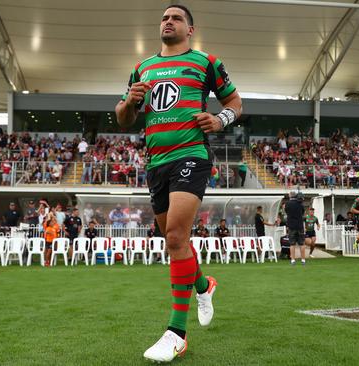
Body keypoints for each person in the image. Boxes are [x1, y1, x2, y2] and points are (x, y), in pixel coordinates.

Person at [115, 4, 242, 361]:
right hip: (156, 163)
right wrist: (130, 101)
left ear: (190, 29)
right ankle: (204, 285)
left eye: (176, 18)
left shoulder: (206, 62)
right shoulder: (142, 68)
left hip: (191, 155)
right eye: (164, 17)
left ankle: (176, 333)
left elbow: (235, 101)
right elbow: (124, 118)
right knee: (176, 240)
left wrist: (221, 120)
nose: (168, 21)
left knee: (174, 236)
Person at [285, 192, 306, 265]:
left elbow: (286, 212)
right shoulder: (300, 204)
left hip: (291, 226)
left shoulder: (287, 204)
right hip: (300, 225)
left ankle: (293, 260)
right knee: (302, 243)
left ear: (290, 196)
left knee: (292, 244)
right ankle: (303, 260)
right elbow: (303, 213)